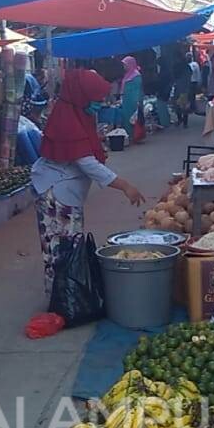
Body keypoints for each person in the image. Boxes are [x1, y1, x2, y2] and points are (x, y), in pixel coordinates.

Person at [31, 67, 144, 294]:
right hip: (56, 192)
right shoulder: (67, 119)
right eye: (96, 100)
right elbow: (87, 163)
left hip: (65, 190)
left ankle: (70, 292)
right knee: (60, 246)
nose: (99, 104)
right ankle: (63, 297)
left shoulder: (78, 113)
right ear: (82, 96)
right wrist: (124, 186)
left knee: (71, 243)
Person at [119, 56, 144, 134]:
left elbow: (137, 90)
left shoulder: (136, 76)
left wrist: (136, 101)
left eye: (125, 65)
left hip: (133, 100)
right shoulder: (127, 75)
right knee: (127, 118)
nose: (124, 67)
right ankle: (129, 135)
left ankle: (136, 135)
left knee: (134, 118)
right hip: (127, 100)